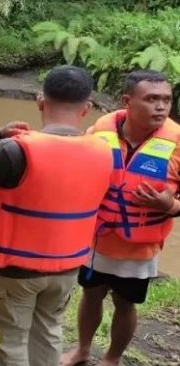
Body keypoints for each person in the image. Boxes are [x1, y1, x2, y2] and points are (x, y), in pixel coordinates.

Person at [0, 65, 113, 366]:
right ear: (88, 108)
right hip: (67, 267)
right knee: (48, 333)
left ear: (40, 101)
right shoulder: (104, 150)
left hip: (13, 270)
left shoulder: (13, 149)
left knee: (10, 339)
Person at [61, 70, 180, 366]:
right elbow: (72, 171)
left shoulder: (178, 143)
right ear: (127, 101)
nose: (161, 107)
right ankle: (83, 350)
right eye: (151, 99)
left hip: (139, 249)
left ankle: (112, 358)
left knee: (125, 304)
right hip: (97, 240)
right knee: (90, 296)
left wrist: (171, 206)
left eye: (166, 99)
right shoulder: (99, 132)